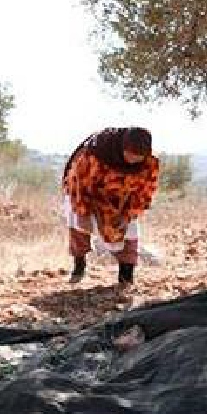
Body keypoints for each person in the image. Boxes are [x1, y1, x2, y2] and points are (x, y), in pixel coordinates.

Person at [61, 127, 160, 296]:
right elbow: (79, 184)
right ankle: (79, 266)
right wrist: (83, 212)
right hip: (88, 195)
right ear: (122, 148)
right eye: (130, 154)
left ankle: (126, 277)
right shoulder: (94, 154)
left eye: (139, 157)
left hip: (122, 200)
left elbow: (145, 192)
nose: (133, 161)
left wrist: (129, 214)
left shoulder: (150, 163)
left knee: (130, 232)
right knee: (78, 225)